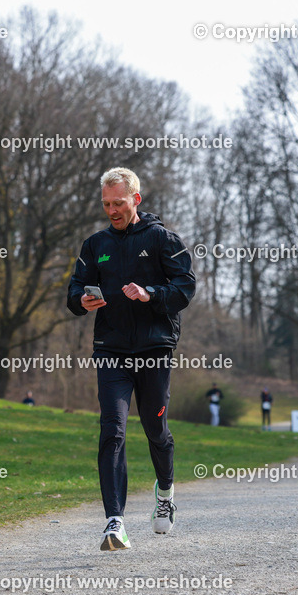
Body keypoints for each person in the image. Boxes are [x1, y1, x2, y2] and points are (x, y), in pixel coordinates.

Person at [68, 167, 196, 551]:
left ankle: (166, 492)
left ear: (135, 199)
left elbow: (185, 288)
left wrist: (150, 293)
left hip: (155, 348)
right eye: (107, 204)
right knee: (113, 430)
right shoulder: (95, 244)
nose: (112, 210)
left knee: (155, 429)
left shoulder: (163, 239)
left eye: (119, 203)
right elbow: (74, 293)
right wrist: (82, 300)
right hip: (111, 349)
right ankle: (114, 522)